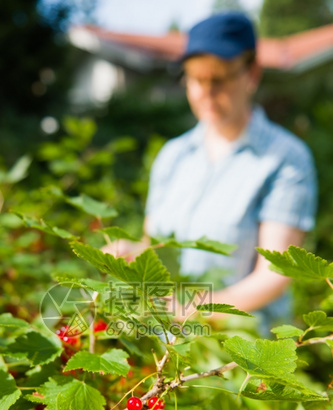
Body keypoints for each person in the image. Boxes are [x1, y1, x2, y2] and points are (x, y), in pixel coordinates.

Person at [103, 12, 317, 329]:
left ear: (252, 74)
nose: (205, 91)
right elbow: (155, 246)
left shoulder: (285, 159)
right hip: (168, 343)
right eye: (194, 79)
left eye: (218, 79)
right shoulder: (173, 156)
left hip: (240, 356)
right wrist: (132, 252)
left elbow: (274, 276)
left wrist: (189, 310)